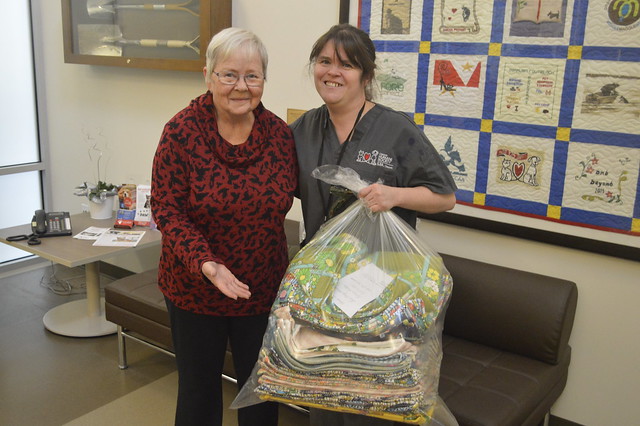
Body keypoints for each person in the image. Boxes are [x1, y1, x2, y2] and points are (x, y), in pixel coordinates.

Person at [290, 23, 457, 425]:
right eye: (324, 61)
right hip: (321, 287)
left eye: (346, 64)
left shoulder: (395, 129)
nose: (332, 72)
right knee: (325, 395)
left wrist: (395, 196)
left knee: (373, 402)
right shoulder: (303, 130)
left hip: (382, 288)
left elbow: (445, 197)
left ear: (367, 76)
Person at [151, 27, 298, 426]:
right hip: (195, 288)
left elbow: (313, 193)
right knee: (198, 394)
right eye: (229, 74)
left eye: (252, 76)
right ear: (208, 76)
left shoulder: (281, 137)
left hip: (261, 288)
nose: (241, 86)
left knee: (260, 393)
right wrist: (208, 264)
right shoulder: (181, 133)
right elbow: (167, 209)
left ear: (263, 81)